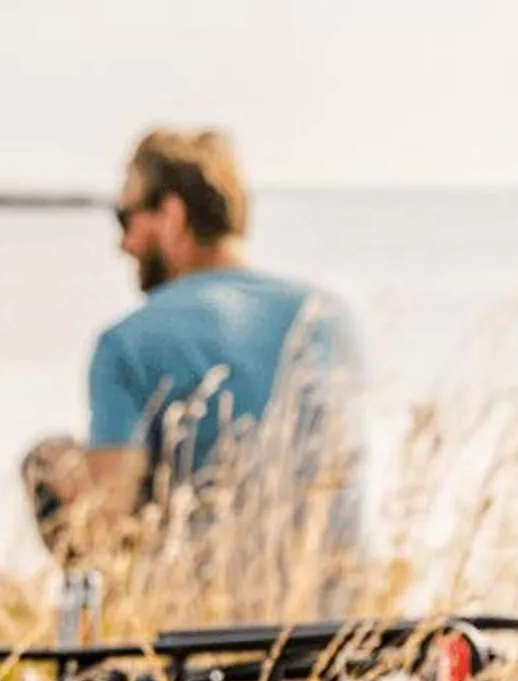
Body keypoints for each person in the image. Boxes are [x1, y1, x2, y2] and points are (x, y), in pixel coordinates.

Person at [29, 128, 365, 564]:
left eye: (125, 218)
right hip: (339, 593)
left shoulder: (127, 342)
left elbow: (105, 528)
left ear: (172, 214)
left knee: (47, 460)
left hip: (206, 600)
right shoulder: (332, 314)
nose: (123, 245)